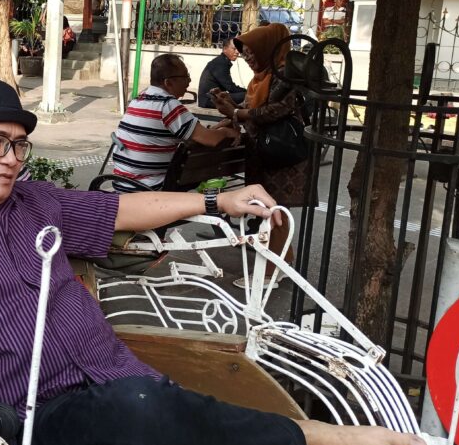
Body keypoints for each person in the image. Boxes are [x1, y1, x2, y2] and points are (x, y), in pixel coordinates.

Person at [0, 77, 431, 445]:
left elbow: (123, 212)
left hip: (126, 409)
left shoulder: (35, 202)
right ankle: (314, 441)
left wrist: (214, 202)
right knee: (139, 405)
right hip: (38, 434)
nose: (10, 157)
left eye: (17, 144)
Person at [212, 23, 316, 288]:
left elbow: (275, 111)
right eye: (244, 52)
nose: (247, 58)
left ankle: (269, 274)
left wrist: (236, 114)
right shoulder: (262, 77)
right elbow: (250, 112)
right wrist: (231, 108)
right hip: (265, 154)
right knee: (272, 211)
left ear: (268, 48)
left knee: (274, 211)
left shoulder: (285, 74)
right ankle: (283, 264)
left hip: (281, 156)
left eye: (251, 52)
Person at [112, 54, 240, 192]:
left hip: (121, 182)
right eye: (185, 77)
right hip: (149, 187)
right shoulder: (168, 105)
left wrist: (216, 128)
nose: (189, 80)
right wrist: (227, 131)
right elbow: (210, 140)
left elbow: (193, 134)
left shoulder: (138, 99)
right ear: (168, 83)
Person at [198, 38, 246, 108]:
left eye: (238, 49)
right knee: (246, 95)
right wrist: (247, 92)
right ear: (225, 49)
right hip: (208, 101)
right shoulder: (220, 63)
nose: (237, 52)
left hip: (212, 98)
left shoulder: (222, 61)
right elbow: (230, 87)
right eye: (234, 49)